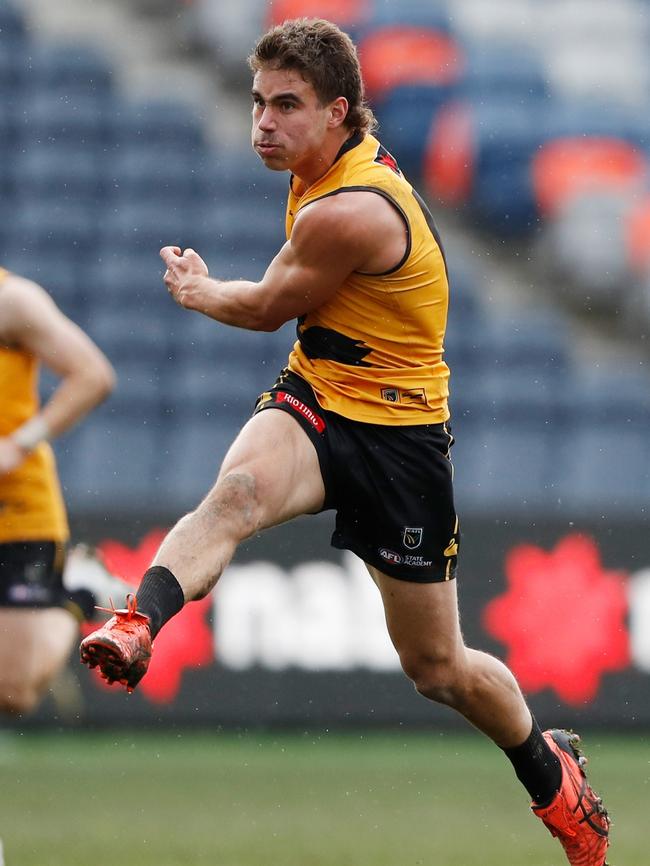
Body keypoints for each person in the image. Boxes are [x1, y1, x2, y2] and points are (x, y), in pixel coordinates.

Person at [80, 18, 610, 866]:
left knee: (438, 670)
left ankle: (550, 771)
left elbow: (259, 308)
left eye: (286, 106)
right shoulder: (321, 165)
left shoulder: (351, 209)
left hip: (400, 443)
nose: (263, 122)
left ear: (338, 112)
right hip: (322, 401)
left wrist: (194, 287)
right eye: (257, 102)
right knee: (235, 496)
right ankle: (137, 622)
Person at [0, 267, 116, 714]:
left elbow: (93, 375)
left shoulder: (13, 302)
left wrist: (19, 445)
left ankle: (78, 594)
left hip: (16, 506)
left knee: (13, 694)